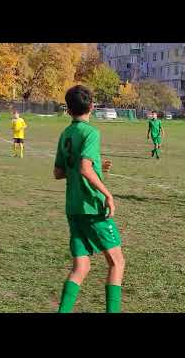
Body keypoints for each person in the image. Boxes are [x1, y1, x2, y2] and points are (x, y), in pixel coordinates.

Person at [54, 85, 125, 313]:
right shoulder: (91, 132)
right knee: (117, 262)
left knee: (81, 266)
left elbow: (59, 172)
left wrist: (97, 166)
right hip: (92, 207)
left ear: (68, 109)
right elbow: (85, 168)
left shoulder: (66, 133)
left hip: (73, 206)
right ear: (92, 106)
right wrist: (108, 194)